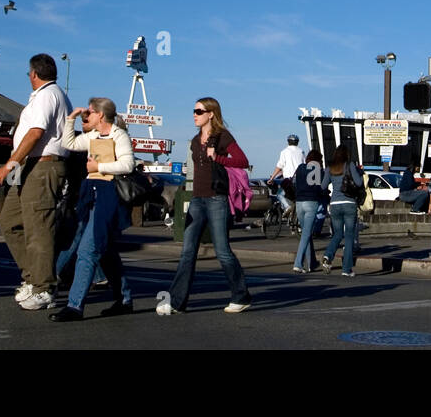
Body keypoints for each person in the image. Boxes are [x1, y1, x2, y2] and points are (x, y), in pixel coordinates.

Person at [157, 98, 252, 314]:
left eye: (199, 111)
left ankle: (241, 295)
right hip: (197, 200)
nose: (194, 114)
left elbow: (242, 161)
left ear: (211, 114)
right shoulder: (193, 140)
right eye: (194, 110)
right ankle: (176, 302)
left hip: (217, 199)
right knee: (187, 251)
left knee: (222, 251)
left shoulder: (223, 136)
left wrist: (218, 158)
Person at [0, 54, 72, 311]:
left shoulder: (49, 95)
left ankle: (44, 287)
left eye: (29, 74)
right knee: (10, 220)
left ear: (34, 74)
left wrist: (10, 164)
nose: (28, 77)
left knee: (39, 227)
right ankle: (33, 277)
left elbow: (36, 133)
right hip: (31, 166)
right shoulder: (43, 96)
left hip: (43, 165)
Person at [50, 97, 135, 321]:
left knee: (87, 251)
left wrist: (99, 166)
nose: (87, 115)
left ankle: (74, 305)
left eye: (90, 112)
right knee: (106, 252)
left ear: (100, 115)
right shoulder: (93, 136)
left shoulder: (119, 135)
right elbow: (68, 143)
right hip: (91, 193)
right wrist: (70, 119)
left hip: (108, 195)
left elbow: (128, 164)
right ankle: (124, 299)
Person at [320, 146, 363, 276]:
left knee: (337, 234)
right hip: (349, 203)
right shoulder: (349, 166)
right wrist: (360, 173)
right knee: (349, 236)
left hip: (335, 204)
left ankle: (328, 255)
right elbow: (359, 183)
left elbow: (323, 186)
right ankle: (346, 269)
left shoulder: (330, 168)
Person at [292, 149, 325, 272]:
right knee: (306, 234)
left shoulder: (300, 167)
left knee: (307, 234)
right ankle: (298, 263)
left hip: (299, 203)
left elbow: (294, 182)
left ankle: (312, 263)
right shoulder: (317, 169)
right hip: (311, 202)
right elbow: (319, 188)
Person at [268, 134, 305, 215]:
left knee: (280, 194)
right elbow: (303, 165)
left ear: (288, 142)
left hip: (289, 180)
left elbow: (279, 166)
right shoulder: (301, 151)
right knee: (297, 198)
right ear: (297, 142)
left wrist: (272, 178)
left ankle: (287, 207)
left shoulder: (284, 152)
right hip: (300, 180)